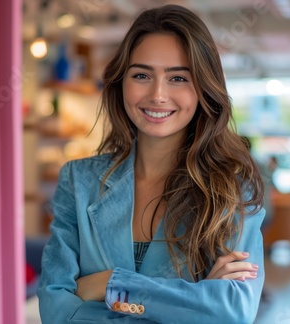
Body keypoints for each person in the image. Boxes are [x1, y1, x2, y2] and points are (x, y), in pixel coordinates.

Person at [38, 5, 266, 323]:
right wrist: (193, 301)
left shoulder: (232, 191)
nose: (158, 94)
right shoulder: (79, 182)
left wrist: (111, 285)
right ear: (121, 83)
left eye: (178, 78)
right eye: (142, 75)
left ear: (203, 89)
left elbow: (232, 312)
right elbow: (55, 310)